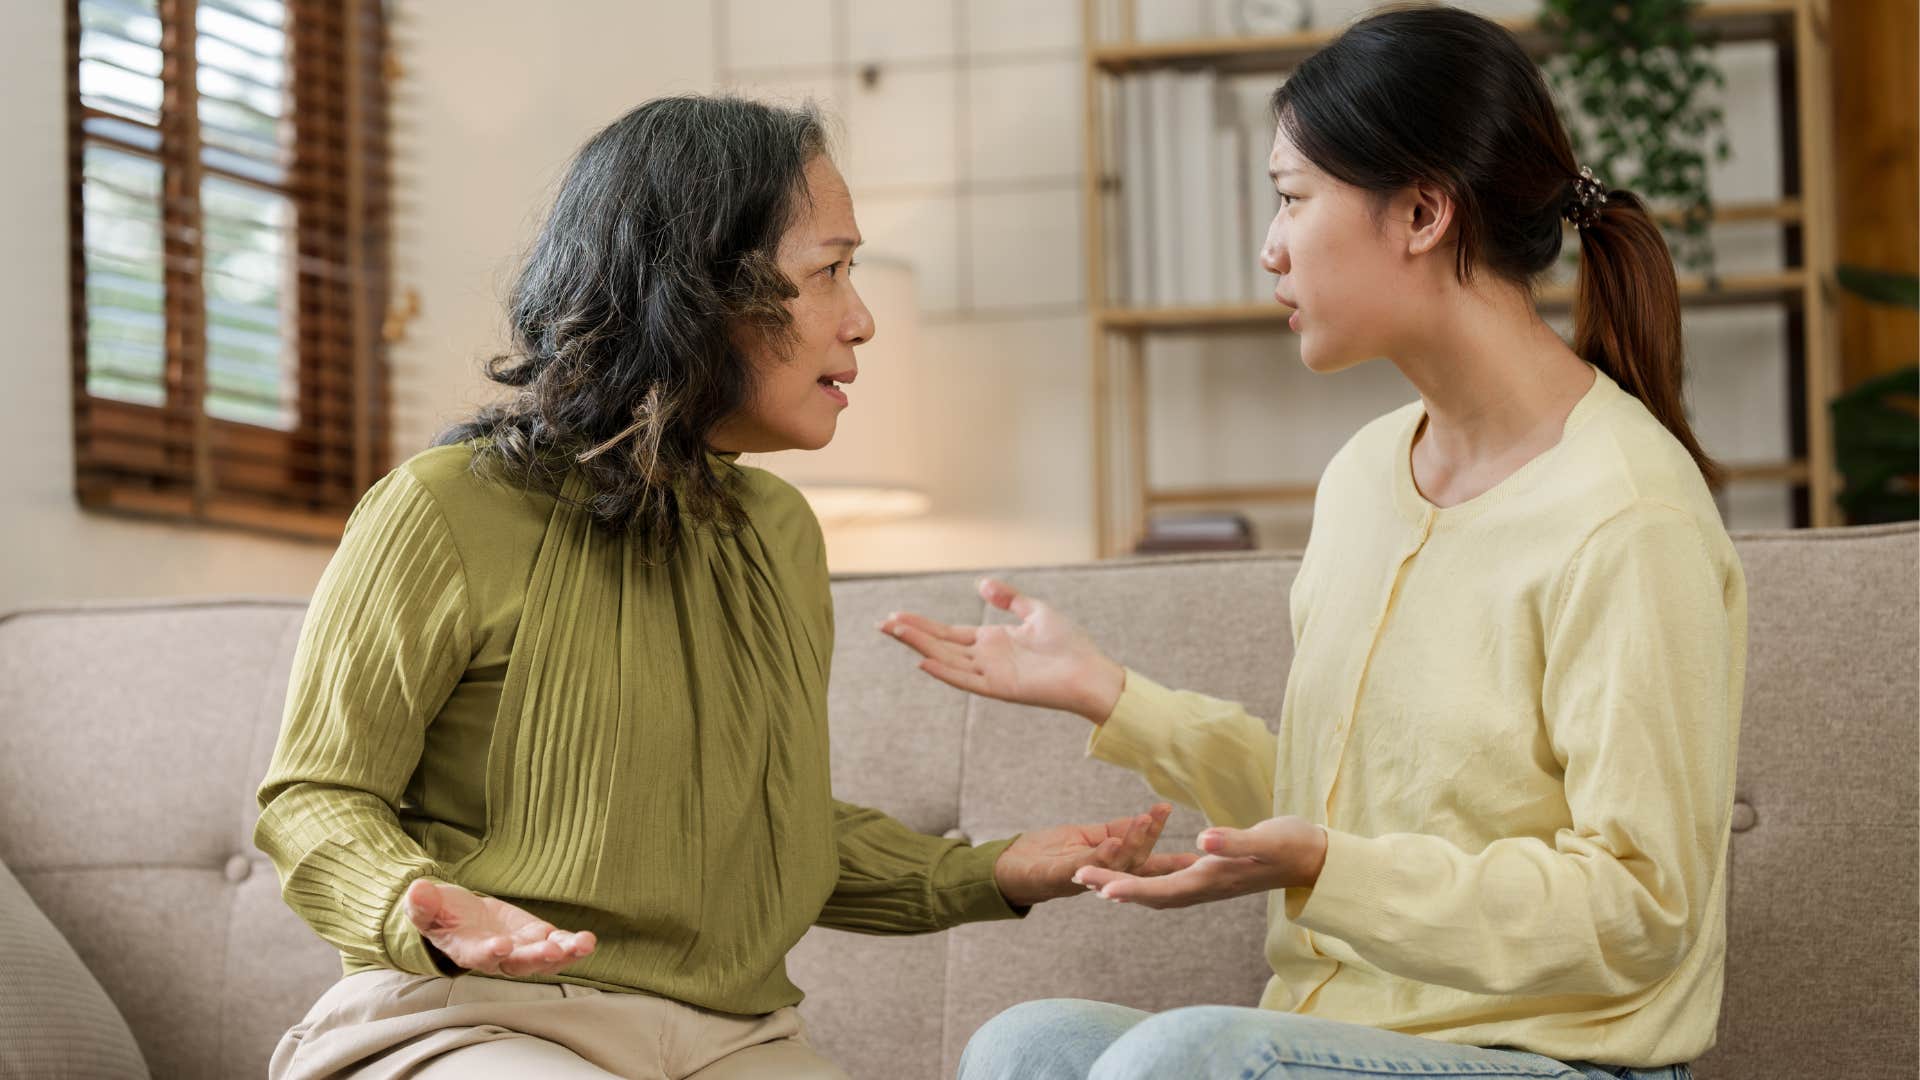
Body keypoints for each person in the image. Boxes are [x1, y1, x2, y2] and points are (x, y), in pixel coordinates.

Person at [881, 7, 1744, 1079]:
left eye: (1293, 198)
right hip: (1344, 1038)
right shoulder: (1365, 479)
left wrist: (1333, 869)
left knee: (1182, 1058)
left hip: (1554, 1058)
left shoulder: (1625, 512)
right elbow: (1327, 812)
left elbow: (1641, 908)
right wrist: (1110, 694)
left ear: (1423, 210)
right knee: (1027, 1045)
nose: (1269, 247)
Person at [254, 94, 1190, 1080]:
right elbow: (316, 795)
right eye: (828, 271)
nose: (861, 320)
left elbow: (763, 826)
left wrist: (989, 871)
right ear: (699, 290)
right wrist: (413, 901)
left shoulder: (777, 534)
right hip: (477, 1020)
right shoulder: (442, 510)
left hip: (737, 1042)